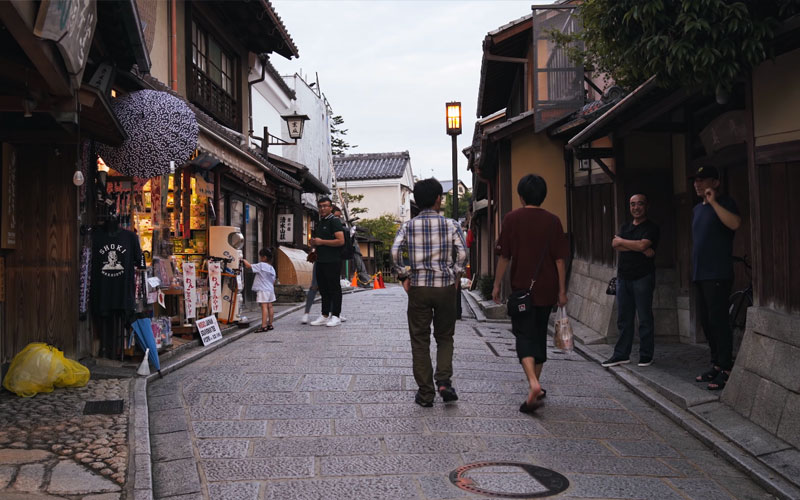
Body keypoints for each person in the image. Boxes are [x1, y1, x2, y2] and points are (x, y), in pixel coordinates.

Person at [492, 174, 568, 414]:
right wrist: (562, 291)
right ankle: (533, 391)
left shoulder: (512, 219)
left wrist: (496, 285)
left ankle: (534, 384)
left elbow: (505, 256)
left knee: (523, 336)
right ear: (543, 195)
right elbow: (560, 260)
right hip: (547, 289)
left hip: (523, 289)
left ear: (521, 195)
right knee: (539, 337)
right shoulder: (554, 221)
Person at [391, 178, 467, 407]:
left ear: (416, 200)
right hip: (445, 287)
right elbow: (463, 254)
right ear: (438, 199)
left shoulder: (408, 226)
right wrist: (455, 274)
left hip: (419, 287)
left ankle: (425, 394)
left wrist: (403, 276)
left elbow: (395, 253)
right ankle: (443, 381)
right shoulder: (452, 224)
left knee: (420, 340)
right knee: (445, 337)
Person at [689, 166, 741, 391]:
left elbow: (735, 224)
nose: (698, 184)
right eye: (696, 180)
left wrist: (714, 203)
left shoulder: (726, 203)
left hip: (718, 272)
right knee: (706, 321)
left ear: (716, 182)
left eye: (703, 180)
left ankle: (727, 367)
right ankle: (716, 364)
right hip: (700, 273)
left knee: (719, 321)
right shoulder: (696, 210)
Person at [602, 194, 660, 368]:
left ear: (646, 206)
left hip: (643, 277)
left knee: (644, 318)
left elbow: (641, 245)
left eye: (640, 204)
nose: (636, 207)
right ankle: (621, 354)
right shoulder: (625, 226)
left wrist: (626, 243)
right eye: (632, 204)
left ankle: (646, 355)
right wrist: (638, 246)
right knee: (624, 319)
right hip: (623, 278)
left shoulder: (651, 227)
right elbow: (615, 244)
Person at [301, 205, 346, 324]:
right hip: (320, 260)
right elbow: (318, 241)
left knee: (334, 288)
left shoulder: (334, 221)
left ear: (330, 208)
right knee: (323, 289)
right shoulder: (321, 222)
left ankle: (336, 315)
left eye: (325, 206)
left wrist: (321, 242)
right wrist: (314, 245)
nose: (322, 208)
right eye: (320, 206)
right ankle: (324, 314)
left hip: (332, 260)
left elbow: (341, 241)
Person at [242, 248, 276, 332]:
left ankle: (263, 326)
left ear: (264, 257)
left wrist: (242, 259)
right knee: (270, 306)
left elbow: (249, 266)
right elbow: (274, 280)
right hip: (270, 289)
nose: (260, 258)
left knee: (264, 307)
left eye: (261, 257)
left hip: (263, 289)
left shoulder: (261, 265)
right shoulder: (272, 268)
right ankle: (270, 324)